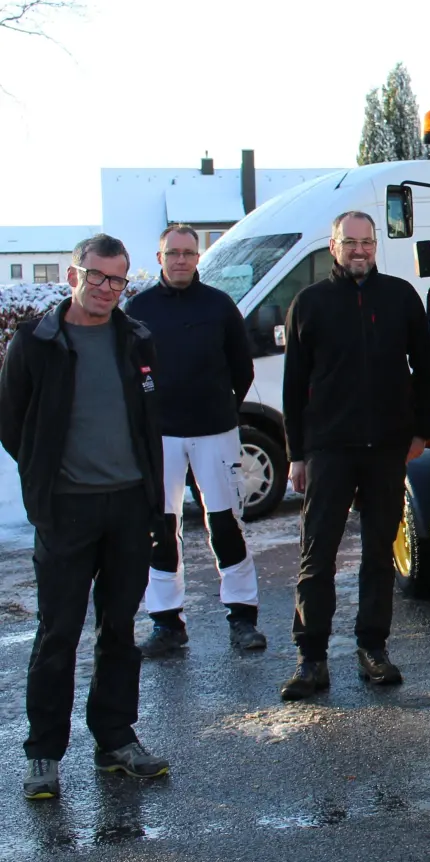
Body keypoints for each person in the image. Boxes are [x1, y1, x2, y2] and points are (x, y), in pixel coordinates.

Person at [0, 234, 170, 800]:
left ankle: (115, 739)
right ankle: (44, 754)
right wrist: (46, 478)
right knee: (59, 632)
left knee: (119, 629)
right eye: (96, 276)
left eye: (116, 279)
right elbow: (13, 423)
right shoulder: (35, 341)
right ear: (74, 275)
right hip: (67, 509)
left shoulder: (137, 339)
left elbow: (149, 421)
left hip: (128, 506)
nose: (105, 288)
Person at [279, 211, 430, 701]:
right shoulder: (310, 303)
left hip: (387, 447)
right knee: (317, 554)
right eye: (349, 242)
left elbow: (427, 367)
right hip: (328, 448)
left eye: (367, 242)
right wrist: (296, 454)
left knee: (378, 553)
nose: (359, 250)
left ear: (375, 246)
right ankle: (311, 657)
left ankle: (373, 649)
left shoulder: (400, 297)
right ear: (333, 246)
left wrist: (420, 431)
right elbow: (293, 386)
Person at [125, 224, 264, 655]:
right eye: (173, 253)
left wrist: (221, 406)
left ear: (198, 256)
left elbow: (242, 368)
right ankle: (167, 622)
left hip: (215, 432)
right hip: (160, 436)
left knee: (226, 524)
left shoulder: (219, 305)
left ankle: (242, 618)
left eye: (188, 252)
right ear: (160, 257)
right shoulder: (138, 308)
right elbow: (128, 372)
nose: (181, 260)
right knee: (161, 528)